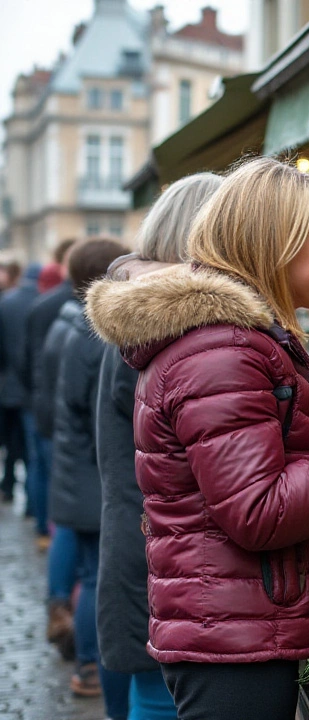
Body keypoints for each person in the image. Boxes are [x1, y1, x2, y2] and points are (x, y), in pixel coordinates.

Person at [85, 156, 309, 720]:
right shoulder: (220, 350)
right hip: (232, 643)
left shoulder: (239, 339)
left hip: (242, 625)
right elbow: (260, 510)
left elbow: (268, 446)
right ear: (277, 243)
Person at [95, 173, 224, 720]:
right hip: (164, 554)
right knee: (157, 695)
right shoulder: (173, 327)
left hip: (145, 541)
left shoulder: (142, 318)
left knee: (151, 693)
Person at [46, 238, 131, 711]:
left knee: (92, 577)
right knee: (98, 581)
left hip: (75, 472)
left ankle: (87, 662)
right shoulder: (92, 337)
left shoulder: (72, 326)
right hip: (89, 478)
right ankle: (87, 664)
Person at [26, 237, 76, 553]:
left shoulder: (41, 305)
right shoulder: (73, 307)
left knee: (43, 470)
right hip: (62, 407)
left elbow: (25, 358)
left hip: (41, 400)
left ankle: (43, 527)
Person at [0, 263, 40, 504]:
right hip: (32, 388)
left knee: (12, 442)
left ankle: (8, 484)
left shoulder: (6, 303)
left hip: (9, 386)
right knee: (29, 447)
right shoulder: (41, 301)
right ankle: (30, 503)